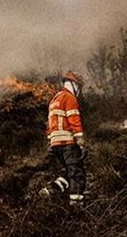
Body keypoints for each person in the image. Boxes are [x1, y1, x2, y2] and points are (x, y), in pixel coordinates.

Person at [41, 70, 87, 204]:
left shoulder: (54, 100)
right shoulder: (69, 98)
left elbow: (49, 125)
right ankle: (76, 205)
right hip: (68, 143)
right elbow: (74, 120)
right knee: (77, 175)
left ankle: (51, 190)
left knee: (68, 172)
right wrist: (81, 142)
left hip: (56, 145)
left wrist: (50, 142)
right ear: (74, 84)